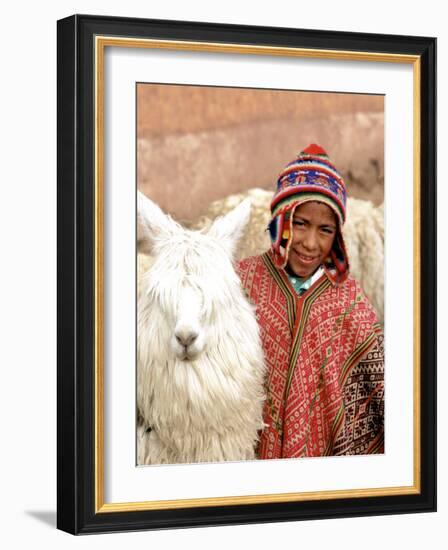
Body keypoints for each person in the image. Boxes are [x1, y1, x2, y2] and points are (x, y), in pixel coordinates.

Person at [237, 144, 384, 459]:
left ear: (337, 237)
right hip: (249, 455)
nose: (310, 242)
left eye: (325, 230)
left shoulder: (350, 302)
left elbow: (379, 390)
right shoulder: (243, 282)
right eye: (300, 223)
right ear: (280, 220)